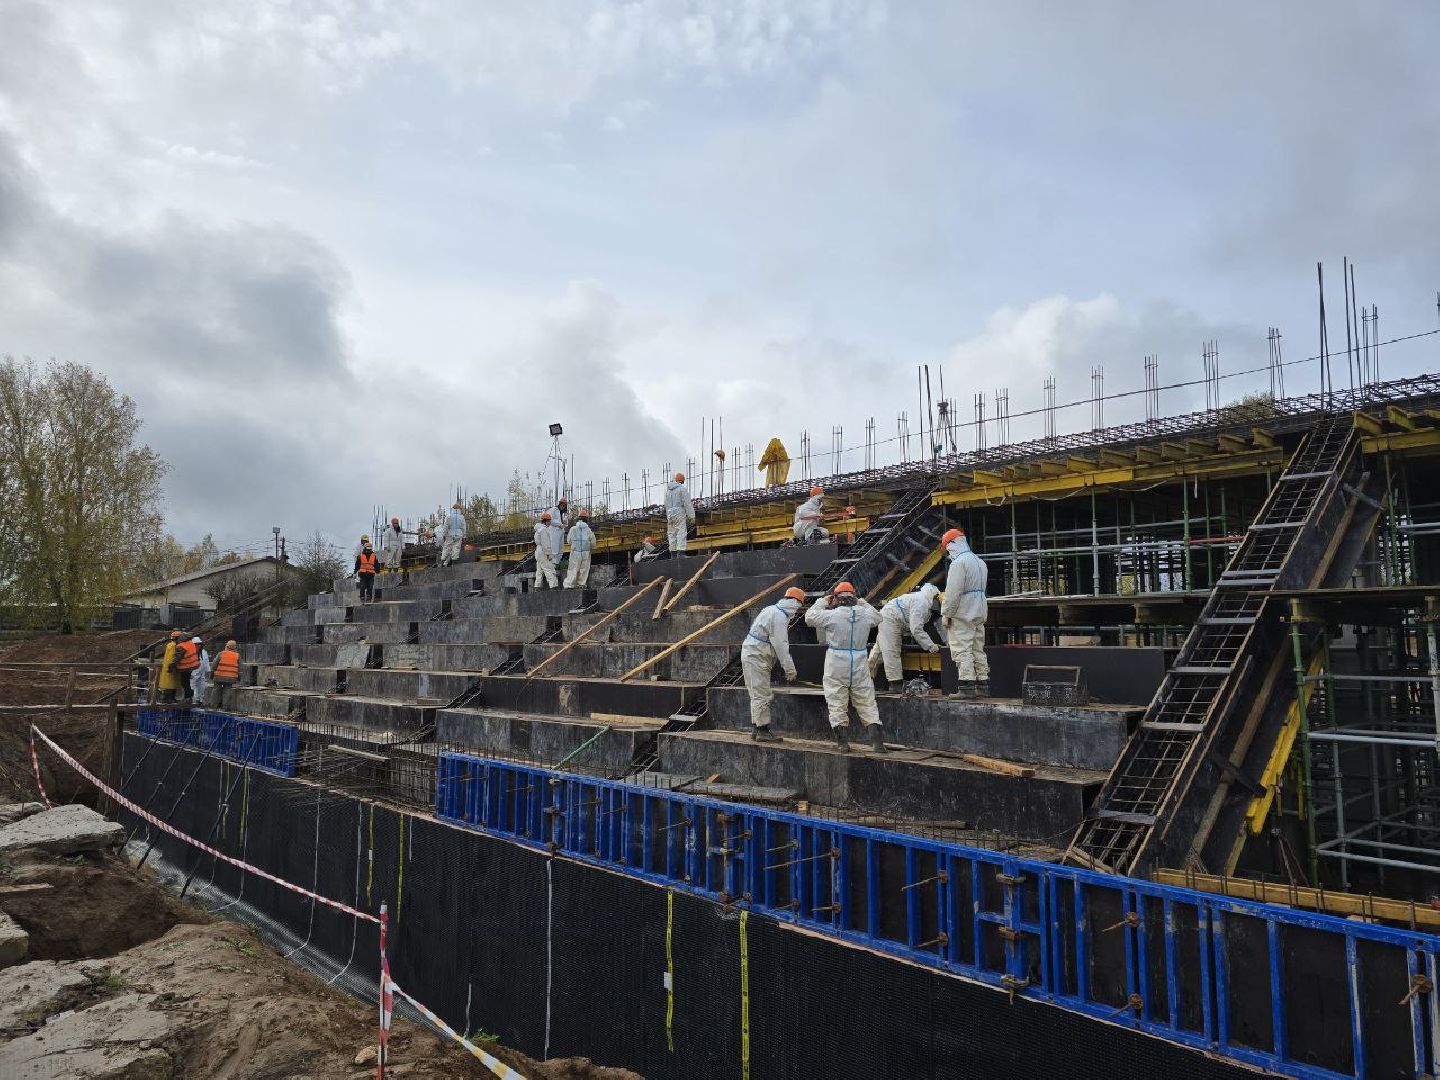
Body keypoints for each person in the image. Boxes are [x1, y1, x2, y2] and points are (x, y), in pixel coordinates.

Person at [804, 581, 885, 753]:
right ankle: (878, 744)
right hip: (859, 660)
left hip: (837, 661)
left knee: (836, 701)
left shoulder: (832, 615)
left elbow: (809, 617)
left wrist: (823, 601)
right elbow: (879, 617)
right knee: (866, 701)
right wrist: (862, 602)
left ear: (836, 598)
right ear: (854, 597)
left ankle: (842, 744)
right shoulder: (865, 614)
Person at [741, 586, 806, 743]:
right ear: (796, 603)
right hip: (757, 657)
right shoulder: (779, 617)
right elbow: (781, 646)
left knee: (756, 693)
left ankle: (757, 727)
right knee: (761, 694)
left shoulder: (771, 609)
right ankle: (763, 730)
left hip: (752, 654)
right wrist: (790, 670)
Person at [940, 527, 990, 699]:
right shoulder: (979, 561)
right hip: (979, 611)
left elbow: (953, 593)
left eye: (947, 548)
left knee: (962, 648)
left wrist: (946, 613)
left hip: (963, 613)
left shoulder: (958, 564)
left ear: (952, 545)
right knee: (977, 648)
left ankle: (966, 686)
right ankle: (983, 684)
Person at [868, 583, 942, 690]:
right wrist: (931, 646)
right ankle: (895, 683)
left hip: (891, 616)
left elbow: (935, 626)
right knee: (891, 649)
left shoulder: (926, 603)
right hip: (890, 618)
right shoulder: (922, 603)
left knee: (878, 652)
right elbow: (916, 629)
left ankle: (864, 678)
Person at [564, 509, 596, 588]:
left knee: (573, 569)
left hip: (575, 553)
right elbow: (593, 543)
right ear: (586, 520)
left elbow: (569, 541)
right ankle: (581, 584)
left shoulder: (573, 529)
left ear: (578, 519)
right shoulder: (588, 530)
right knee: (584, 570)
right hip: (585, 553)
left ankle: (569, 585)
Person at [664, 473, 694, 553]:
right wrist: (691, 517)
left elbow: (666, 505)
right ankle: (681, 553)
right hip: (679, 513)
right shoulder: (682, 489)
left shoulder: (668, 492)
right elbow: (687, 504)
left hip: (670, 514)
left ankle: (673, 554)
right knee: (681, 531)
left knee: (672, 533)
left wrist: (668, 517)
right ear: (681, 480)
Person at [210, 639, 241, 711]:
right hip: (230, 678)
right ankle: (225, 707)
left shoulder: (221, 653)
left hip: (219, 676)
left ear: (227, 646)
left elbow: (214, 665)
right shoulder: (237, 656)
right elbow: (240, 668)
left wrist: (212, 674)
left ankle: (214, 706)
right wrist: (239, 677)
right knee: (227, 691)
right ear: (235, 647)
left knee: (216, 690)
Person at [533, 513, 560, 589]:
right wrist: (549, 554)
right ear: (545, 521)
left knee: (539, 570)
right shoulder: (544, 530)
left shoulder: (538, 530)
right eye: (548, 521)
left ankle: (537, 587)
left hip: (539, 552)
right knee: (548, 569)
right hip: (543, 552)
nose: (550, 523)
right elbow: (546, 544)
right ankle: (553, 586)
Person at [156, 629, 183, 704]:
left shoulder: (171, 645)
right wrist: (172, 666)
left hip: (170, 667)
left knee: (171, 683)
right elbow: (172, 658)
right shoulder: (174, 646)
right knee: (170, 684)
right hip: (171, 667)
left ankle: (171, 698)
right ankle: (167, 698)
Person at [437, 500, 466, 567]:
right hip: (459, 535)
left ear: (453, 509)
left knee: (447, 548)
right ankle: (454, 564)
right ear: (459, 509)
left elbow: (445, 527)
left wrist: (444, 535)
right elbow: (464, 527)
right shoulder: (462, 517)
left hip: (450, 535)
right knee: (456, 549)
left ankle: (441, 563)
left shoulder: (449, 516)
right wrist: (464, 536)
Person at [175, 633, 201, 701]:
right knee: (186, 682)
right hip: (191, 667)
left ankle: (189, 696)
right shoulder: (191, 644)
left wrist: (171, 665)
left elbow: (178, 657)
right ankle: (189, 696)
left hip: (186, 667)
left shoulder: (182, 646)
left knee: (184, 682)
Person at [189, 636, 212, 707]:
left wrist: (208, 670)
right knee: (193, 686)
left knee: (202, 686)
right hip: (193, 672)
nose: (198, 645)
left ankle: (200, 700)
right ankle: (194, 700)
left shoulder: (204, 652)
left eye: (199, 644)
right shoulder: (190, 652)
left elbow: (206, 661)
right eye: (197, 644)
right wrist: (189, 673)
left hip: (202, 672)